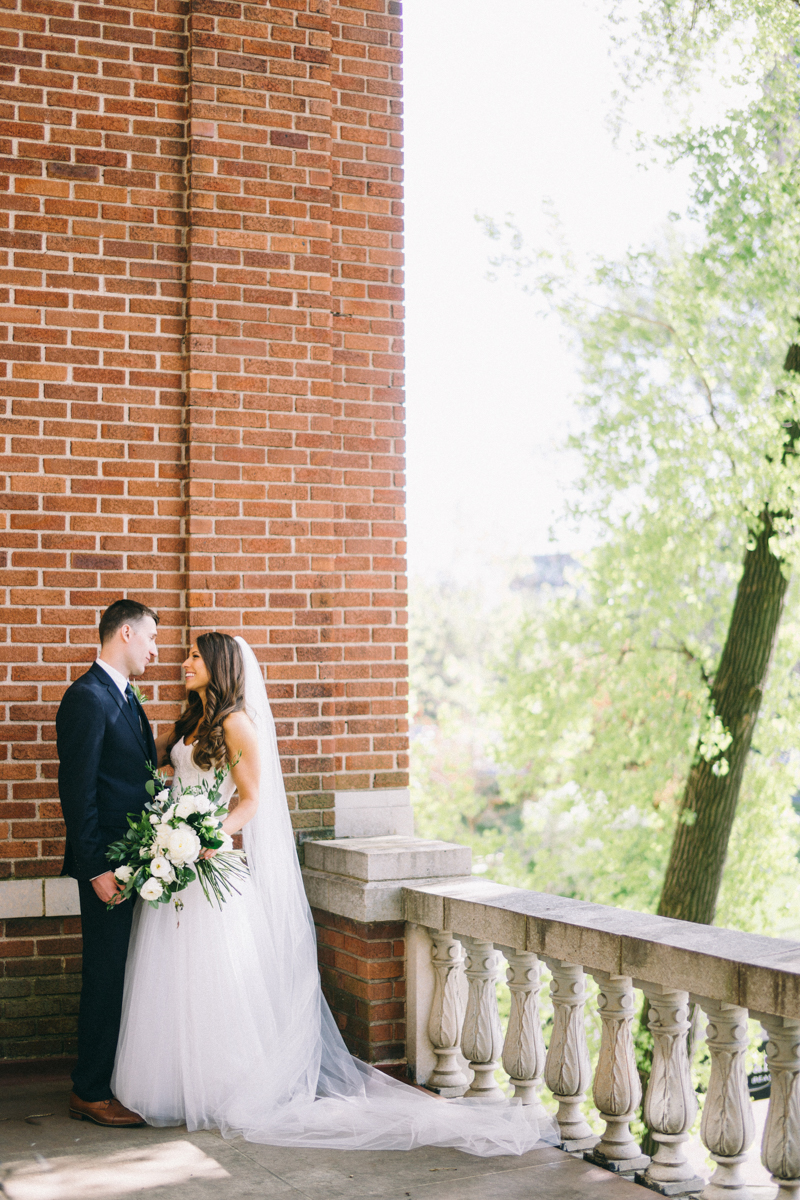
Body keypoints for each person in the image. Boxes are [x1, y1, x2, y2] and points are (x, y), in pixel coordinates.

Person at [112, 632, 556, 1155]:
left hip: (210, 862)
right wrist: (164, 825)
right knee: (173, 974)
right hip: (177, 866)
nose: (183, 663)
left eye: (193, 656)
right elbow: (169, 777)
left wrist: (207, 837)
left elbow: (251, 799)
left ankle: (221, 1085)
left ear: (220, 665)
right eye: (186, 655)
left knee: (215, 977)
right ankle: (170, 1084)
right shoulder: (190, 722)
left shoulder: (236, 724)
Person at [56, 599, 159, 1127]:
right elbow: (77, 794)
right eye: (149, 640)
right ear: (125, 633)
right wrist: (96, 869)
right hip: (108, 871)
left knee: (123, 971)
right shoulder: (87, 697)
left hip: (135, 864)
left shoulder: (125, 697)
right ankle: (90, 1090)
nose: (155, 651)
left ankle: (112, 1078)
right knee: (104, 972)